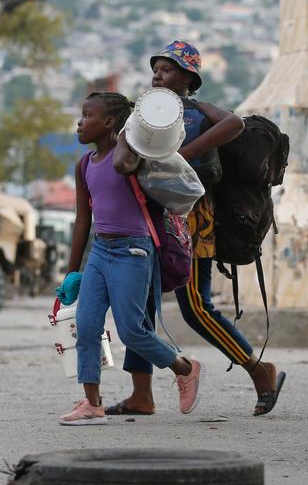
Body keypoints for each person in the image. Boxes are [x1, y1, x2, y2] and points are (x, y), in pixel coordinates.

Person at [111, 40, 287, 417]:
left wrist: (181, 157)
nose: (158, 74)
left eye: (168, 69)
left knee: (195, 307)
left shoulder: (197, 111)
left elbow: (234, 123)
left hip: (190, 218)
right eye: (156, 68)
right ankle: (141, 394)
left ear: (189, 78)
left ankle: (259, 370)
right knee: (138, 305)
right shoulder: (145, 112)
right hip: (148, 216)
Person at [58, 92, 204, 426]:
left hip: (134, 250)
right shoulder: (84, 165)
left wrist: (126, 133)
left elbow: (123, 164)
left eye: (86, 115)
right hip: (101, 251)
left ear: (109, 123)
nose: (79, 123)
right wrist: (71, 272)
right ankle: (92, 404)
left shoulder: (134, 155)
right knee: (87, 325)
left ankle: (185, 368)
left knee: (131, 331)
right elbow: (83, 220)